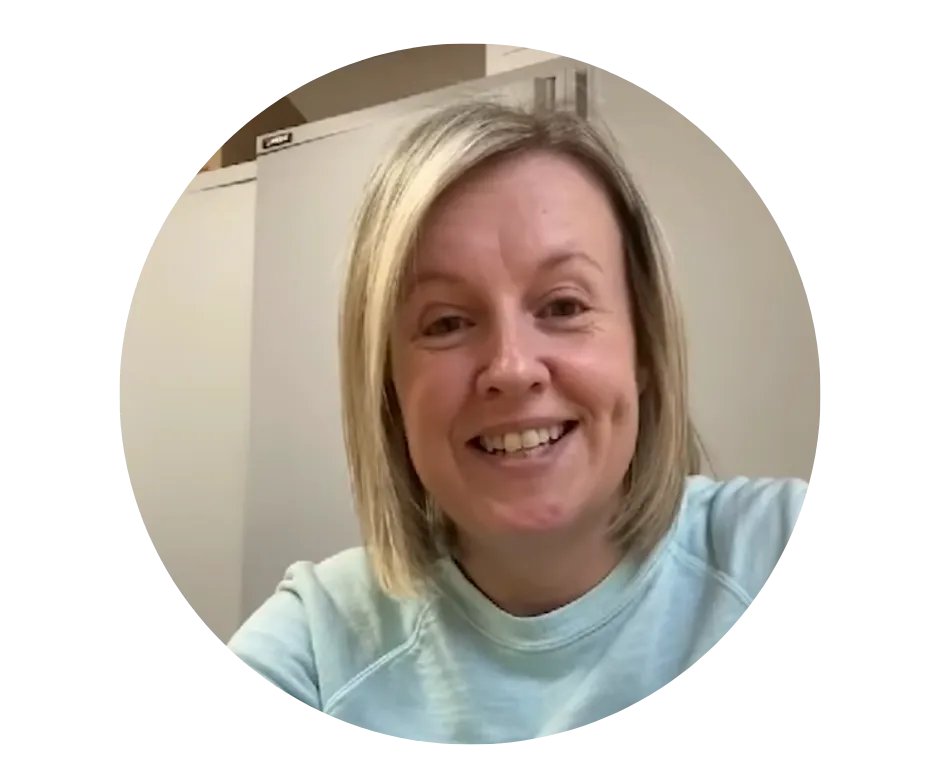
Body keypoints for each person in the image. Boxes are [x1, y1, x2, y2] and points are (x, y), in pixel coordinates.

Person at [226, 100, 809, 744]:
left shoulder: (771, 546)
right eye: (447, 322)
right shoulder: (317, 646)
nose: (511, 367)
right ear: (388, 387)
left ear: (643, 347)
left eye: (563, 306)